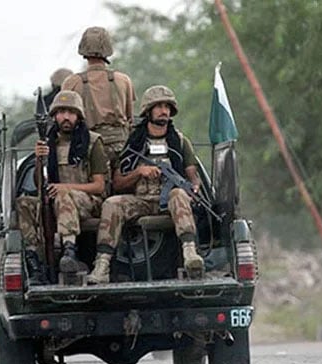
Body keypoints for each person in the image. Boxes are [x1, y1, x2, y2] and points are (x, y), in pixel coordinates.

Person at [87, 85, 205, 284]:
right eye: (158, 106)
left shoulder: (180, 142)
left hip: (170, 202)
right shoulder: (134, 143)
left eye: (167, 106)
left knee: (179, 194)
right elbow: (118, 182)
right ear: (148, 111)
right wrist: (138, 172)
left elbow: (192, 175)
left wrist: (193, 188)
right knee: (112, 204)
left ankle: (190, 254)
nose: (163, 111)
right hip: (141, 201)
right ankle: (102, 266)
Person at [16, 90, 108, 285]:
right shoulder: (48, 143)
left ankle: (69, 250)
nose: (66, 117)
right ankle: (34, 260)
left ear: (78, 116)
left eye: (71, 112)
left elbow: (99, 186)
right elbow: (41, 184)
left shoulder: (92, 142)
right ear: (54, 116)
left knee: (63, 195)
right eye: (61, 112)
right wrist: (40, 160)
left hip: (88, 202)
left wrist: (64, 187)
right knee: (24, 203)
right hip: (56, 200)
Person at [61, 26, 135, 167]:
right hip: (121, 148)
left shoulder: (72, 82)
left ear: (83, 49)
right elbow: (129, 117)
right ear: (108, 49)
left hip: (86, 148)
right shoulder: (123, 80)